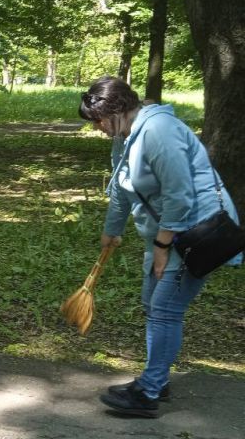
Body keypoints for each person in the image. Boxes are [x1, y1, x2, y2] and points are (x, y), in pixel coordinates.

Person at [80, 76, 241, 418]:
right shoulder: (124, 137)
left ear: (119, 110)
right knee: (152, 303)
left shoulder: (159, 132)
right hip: (168, 233)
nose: (97, 128)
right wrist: (112, 230)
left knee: (165, 308)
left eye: (99, 121)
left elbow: (179, 195)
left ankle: (149, 393)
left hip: (195, 232)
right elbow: (121, 188)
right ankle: (156, 378)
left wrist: (162, 246)